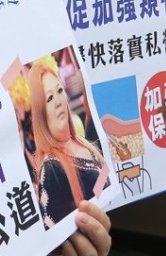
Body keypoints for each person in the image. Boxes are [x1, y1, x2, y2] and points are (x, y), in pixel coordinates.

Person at [27, 60, 109, 228]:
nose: (57, 101)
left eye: (59, 91)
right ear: (41, 112)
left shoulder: (82, 143)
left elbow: (101, 189)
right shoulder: (51, 170)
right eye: (49, 98)